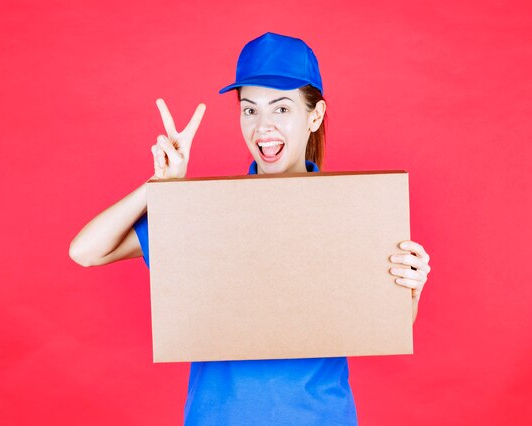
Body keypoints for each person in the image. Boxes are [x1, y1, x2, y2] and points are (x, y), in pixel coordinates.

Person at [69, 31, 431, 425]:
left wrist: (409, 290)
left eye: (280, 109)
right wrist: (160, 188)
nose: (263, 127)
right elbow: (86, 251)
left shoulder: (351, 212)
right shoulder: (204, 212)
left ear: (315, 116)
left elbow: (379, 320)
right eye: (249, 109)